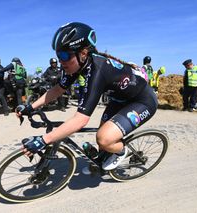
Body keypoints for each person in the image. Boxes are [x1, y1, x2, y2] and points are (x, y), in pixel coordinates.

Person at [16, 22, 158, 172]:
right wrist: (30, 107)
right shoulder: (76, 64)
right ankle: (104, 158)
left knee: (103, 139)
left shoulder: (98, 70)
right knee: (102, 136)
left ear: (83, 53)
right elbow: (58, 89)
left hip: (142, 101)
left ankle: (121, 151)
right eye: (58, 56)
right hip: (119, 100)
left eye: (64, 55)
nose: (61, 61)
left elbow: (80, 120)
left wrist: (44, 140)